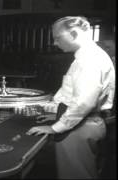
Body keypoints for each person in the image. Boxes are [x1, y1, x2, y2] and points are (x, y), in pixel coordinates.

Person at [26, 16, 115, 179]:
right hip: (83, 122)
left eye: (57, 38)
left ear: (74, 33)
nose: (54, 43)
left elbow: (83, 102)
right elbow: (73, 95)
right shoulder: (86, 56)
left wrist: (55, 127)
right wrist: (56, 114)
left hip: (80, 127)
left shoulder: (89, 60)